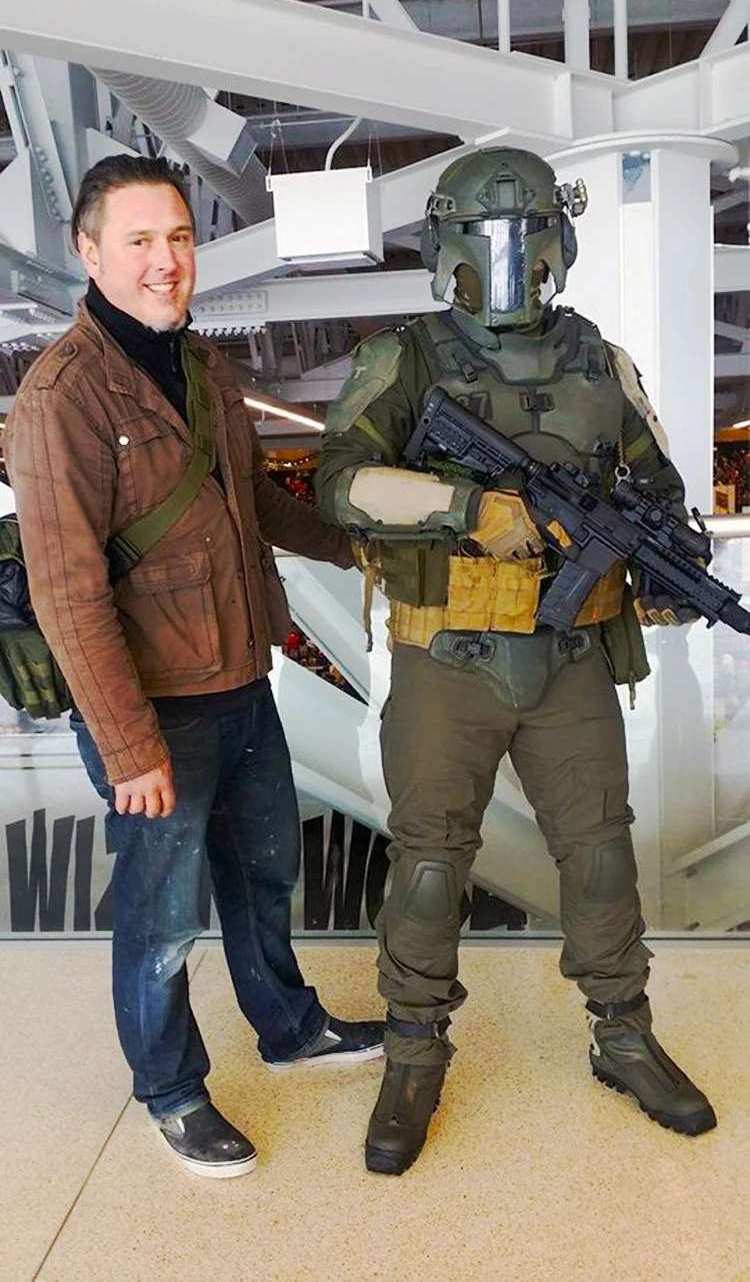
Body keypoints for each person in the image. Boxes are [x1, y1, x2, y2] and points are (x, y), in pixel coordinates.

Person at [315, 147, 716, 1176]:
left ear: (558, 245)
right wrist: (466, 507)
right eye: (487, 241)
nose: (509, 264)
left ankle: (621, 1033)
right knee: (429, 862)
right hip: (447, 654)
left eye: (527, 239)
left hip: (571, 656)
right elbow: (342, 481)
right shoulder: (405, 358)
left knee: (601, 854)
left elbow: (658, 483)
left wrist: (665, 555)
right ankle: (413, 1050)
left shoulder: (600, 363)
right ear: (446, 245)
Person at [4, 155, 384, 1179]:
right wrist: (129, 747)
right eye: (139, 240)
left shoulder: (204, 367)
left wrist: (359, 544)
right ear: (90, 252)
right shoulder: (60, 395)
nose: (165, 260)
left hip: (241, 680)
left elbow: (252, 502)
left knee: (263, 875)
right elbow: (67, 591)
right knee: (162, 916)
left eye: (178, 238)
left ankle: (289, 1028)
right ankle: (171, 1090)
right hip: (153, 710)